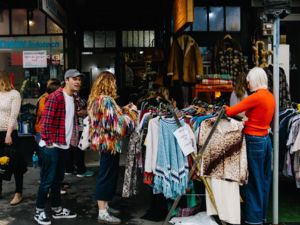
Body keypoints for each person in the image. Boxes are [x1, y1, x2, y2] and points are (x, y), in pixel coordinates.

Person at [225, 67, 275, 225]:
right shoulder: (269, 96)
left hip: (254, 140)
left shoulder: (257, 97)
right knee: (263, 179)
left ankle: (253, 220)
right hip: (265, 140)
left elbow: (231, 111)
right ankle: (261, 217)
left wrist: (222, 108)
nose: (247, 84)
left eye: (249, 81)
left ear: (254, 80)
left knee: (253, 180)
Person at [34, 69, 83, 225]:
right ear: (66, 80)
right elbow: (45, 123)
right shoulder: (55, 97)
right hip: (52, 145)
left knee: (57, 180)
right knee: (47, 180)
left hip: (63, 144)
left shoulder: (73, 98)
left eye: (79, 79)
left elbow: (72, 116)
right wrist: (49, 144)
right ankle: (39, 210)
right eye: (74, 79)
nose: (78, 82)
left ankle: (56, 209)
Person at [88, 71, 137, 224]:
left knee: (109, 174)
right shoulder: (106, 100)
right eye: (113, 83)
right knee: (106, 176)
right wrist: (132, 115)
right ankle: (102, 211)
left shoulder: (97, 100)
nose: (115, 86)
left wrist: (123, 110)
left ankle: (105, 206)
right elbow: (117, 126)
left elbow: (110, 118)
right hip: (109, 144)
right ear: (109, 84)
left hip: (105, 144)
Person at [0, 71, 26, 205]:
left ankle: (18, 193)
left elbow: (13, 115)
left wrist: (8, 134)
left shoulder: (14, 94)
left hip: (9, 133)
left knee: (16, 164)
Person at [64, 92, 94, 178]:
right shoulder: (74, 97)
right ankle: (81, 170)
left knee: (70, 148)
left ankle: (69, 169)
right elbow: (79, 111)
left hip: (69, 126)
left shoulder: (67, 96)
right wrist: (86, 111)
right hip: (78, 126)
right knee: (79, 148)